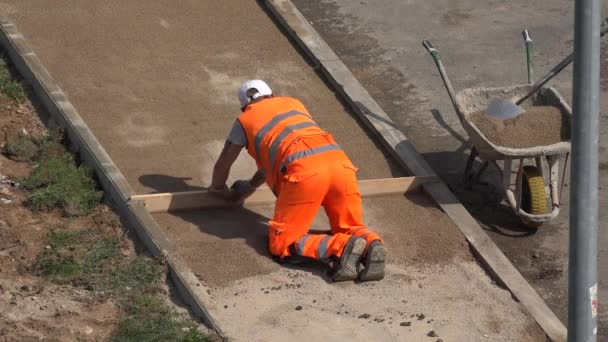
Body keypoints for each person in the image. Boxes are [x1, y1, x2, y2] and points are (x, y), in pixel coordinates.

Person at [209, 80, 386, 282]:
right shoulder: (294, 104)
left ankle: (342, 246)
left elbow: (223, 164)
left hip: (305, 173)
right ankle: (372, 244)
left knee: (281, 245)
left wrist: (219, 190)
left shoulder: (244, 120)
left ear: (244, 106)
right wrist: (250, 185)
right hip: (340, 164)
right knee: (348, 225)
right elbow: (276, 158)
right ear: (272, 94)